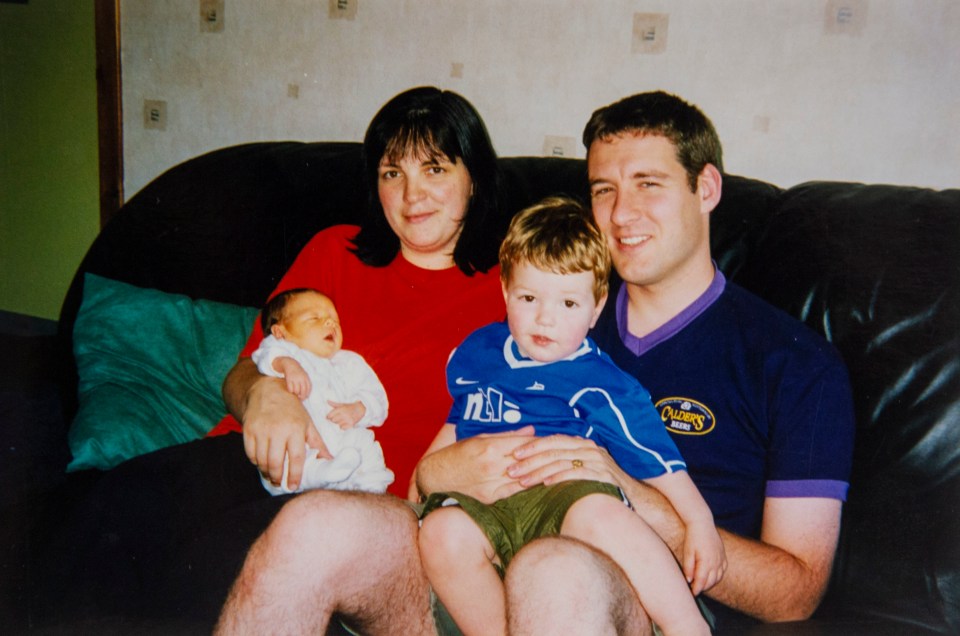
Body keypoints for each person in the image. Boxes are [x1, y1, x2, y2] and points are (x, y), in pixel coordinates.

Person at [416, 91, 855, 633]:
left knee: (551, 570)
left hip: (639, 599)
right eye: (604, 190)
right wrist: (440, 471)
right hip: (481, 574)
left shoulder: (795, 364)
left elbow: (796, 593)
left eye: (649, 184)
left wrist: (633, 498)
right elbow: (432, 469)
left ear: (707, 188)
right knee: (325, 524)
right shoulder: (552, 319)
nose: (622, 215)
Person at [215, 86, 509, 634]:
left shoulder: (514, 288)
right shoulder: (334, 252)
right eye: (391, 173)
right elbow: (241, 370)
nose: (412, 194)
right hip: (241, 466)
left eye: (435, 169)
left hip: (375, 509)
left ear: (475, 177)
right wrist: (263, 392)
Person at [417, 197, 722, 636]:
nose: (545, 318)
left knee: (603, 515)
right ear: (505, 290)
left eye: (568, 305)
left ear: (597, 307)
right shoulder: (477, 353)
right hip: (484, 502)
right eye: (528, 297)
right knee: (440, 535)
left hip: (567, 498)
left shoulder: (602, 382)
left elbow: (660, 463)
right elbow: (457, 421)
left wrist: (699, 522)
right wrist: (420, 485)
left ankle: (686, 626)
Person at [251, 288, 393, 494]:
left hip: (340, 435)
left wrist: (358, 409)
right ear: (280, 332)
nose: (330, 323)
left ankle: (373, 485)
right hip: (301, 437)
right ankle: (318, 474)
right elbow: (264, 356)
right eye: (314, 318)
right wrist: (287, 365)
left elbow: (376, 397)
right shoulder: (285, 352)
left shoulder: (348, 361)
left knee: (364, 441)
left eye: (334, 320)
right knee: (287, 450)